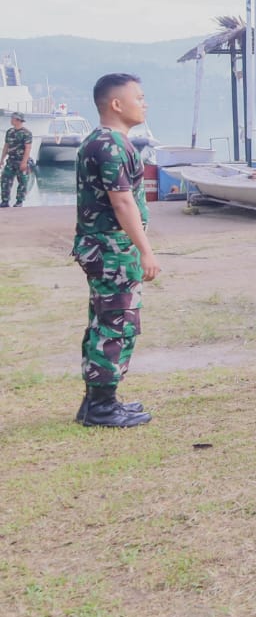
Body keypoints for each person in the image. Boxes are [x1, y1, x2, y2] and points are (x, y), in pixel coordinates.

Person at [71, 73, 161, 428]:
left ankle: (99, 400)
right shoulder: (109, 144)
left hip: (105, 247)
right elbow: (122, 202)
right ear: (116, 104)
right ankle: (101, 406)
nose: (144, 103)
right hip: (111, 248)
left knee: (105, 320)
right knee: (116, 323)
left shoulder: (103, 141)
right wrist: (146, 251)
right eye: (138, 97)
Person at [1, 112, 33, 207]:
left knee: (22, 181)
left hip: (21, 161)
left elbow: (28, 148)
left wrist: (24, 162)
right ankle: (5, 201)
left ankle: (19, 202)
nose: (11, 120)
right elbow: (6, 146)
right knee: (5, 180)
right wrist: (2, 159)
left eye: (13, 118)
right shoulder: (9, 132)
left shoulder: (26, 133)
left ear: (18, 120)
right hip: (11, 161)